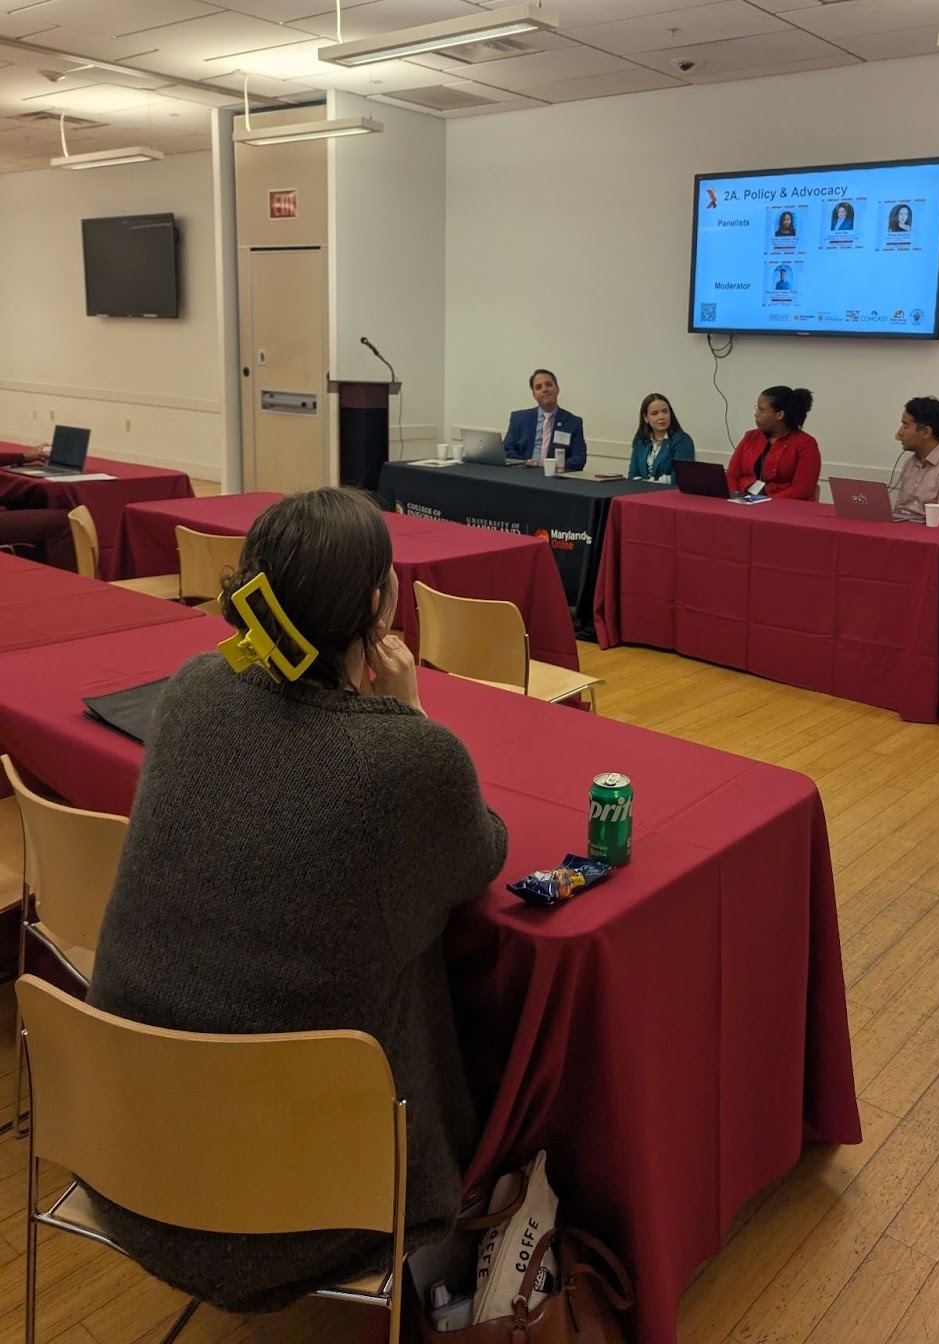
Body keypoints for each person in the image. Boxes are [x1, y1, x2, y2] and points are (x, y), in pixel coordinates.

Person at [86, 487, 508, 1312]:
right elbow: (479, 854)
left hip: (125, 1145)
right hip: (306, 1209)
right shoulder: (407, 763)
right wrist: (412, 716)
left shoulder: (192, 688)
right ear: (380, 607)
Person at [726, 386, 821, 501]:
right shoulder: (750, 437)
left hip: (783, 507)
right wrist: (735, 496)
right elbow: (732, 475)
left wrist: (766, 502)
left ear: (780, 415)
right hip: (743, 501)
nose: (756, 414)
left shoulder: (805, 444)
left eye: (761, 410)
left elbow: (803, 489)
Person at [503, 368, 586, 471]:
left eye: (549, 385)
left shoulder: (573, 423)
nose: (544, 389)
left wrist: (551, 467)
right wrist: (526, 464)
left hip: (555, 478)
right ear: (534, 394)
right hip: (523, 474)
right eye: (538, 387)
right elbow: (507, 450)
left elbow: (579, 459)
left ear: (557, 389)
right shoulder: (519, 418)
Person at [627, 392, 695, 483]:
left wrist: (650, 483)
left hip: (669, 494)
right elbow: (632, 475)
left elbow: (680, 478)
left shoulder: (682, 441)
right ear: (645, 418)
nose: (661, 417)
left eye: (665, 411)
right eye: (655, 413)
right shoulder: (640, 441)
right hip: (641, 493)